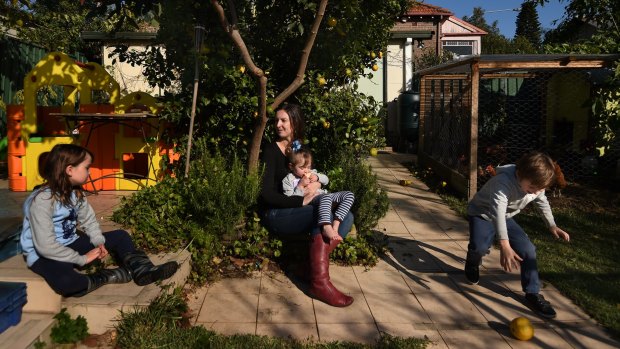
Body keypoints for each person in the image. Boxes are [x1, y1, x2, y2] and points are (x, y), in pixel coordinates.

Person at [20, 144, 179, 297]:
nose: (89, 172)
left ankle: (143, 271)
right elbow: (46, 246)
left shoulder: (75, 193)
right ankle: (107, 276)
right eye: (86, 167)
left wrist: (98, 241)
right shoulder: (41, 200)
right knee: (67, 283)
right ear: (69, 170)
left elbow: (88, 219)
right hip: (43, 253)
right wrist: (83, 258)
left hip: (70, 243)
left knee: (121, 236)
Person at [259, 103, 354, 307]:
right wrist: (301, 200)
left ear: (295, 123)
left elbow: (312, 173)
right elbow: (266, 194)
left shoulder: (297, 148)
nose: (278, 124)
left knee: (348, 216)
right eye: (277, 120)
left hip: (299, 210)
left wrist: (317, 182)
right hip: (277, 213)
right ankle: (320, 283)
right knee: (323, 214)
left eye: (284, 120)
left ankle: (308, 269)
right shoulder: (270, 150)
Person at [465, 151, 570, 319]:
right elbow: (497, 212)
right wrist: (505, 245)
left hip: (506, 217)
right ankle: (472, 262)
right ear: (520, 174)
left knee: (528, 250)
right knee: (480, 247)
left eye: (539, 189)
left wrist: (552, 225)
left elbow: (542, 202)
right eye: (532, 188)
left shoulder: (536, 185)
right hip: (482, 214)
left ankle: (533, 293)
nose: (535, 193)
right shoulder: (502, 182)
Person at [282, 145, 355, 241]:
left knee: (349, 195)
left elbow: (326, 179)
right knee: (325, 197)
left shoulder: (312, 172)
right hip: (313, 199)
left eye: (308, 167)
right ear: (291, 166)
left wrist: (317, 177)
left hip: (325, 196)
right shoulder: (288, 180)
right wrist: (300, 186)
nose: (306, 170)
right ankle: (326, 227)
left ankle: (336, 225)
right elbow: (291, 200)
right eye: (302, 168)